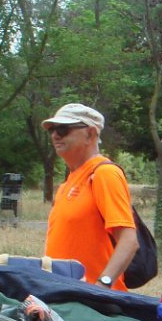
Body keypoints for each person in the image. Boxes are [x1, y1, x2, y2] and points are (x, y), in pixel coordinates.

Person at [42, 103, 139, 291]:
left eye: (63, 129)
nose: (55, 135)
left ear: (91, 134)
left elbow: (129, 241)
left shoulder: (104, 173)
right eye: (52, 130)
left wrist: (102, 286)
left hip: (92, 301)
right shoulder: (67, 183)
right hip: (65, 295)